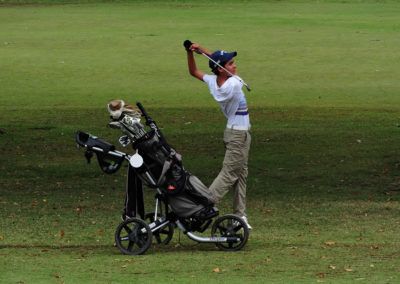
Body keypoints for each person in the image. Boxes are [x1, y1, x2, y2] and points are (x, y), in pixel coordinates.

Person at [185, 42, 252, 229]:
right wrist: (204, 51)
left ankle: (240, 215)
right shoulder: (234, 84)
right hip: (237, 135)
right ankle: (202, 207)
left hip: (239, 134)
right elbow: (223, 68)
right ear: (223, 69)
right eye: (231, 63)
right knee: (230, 174)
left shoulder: (214, 81)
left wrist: (191, 53)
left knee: (241, 174)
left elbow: (194, 72)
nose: (235, 66)